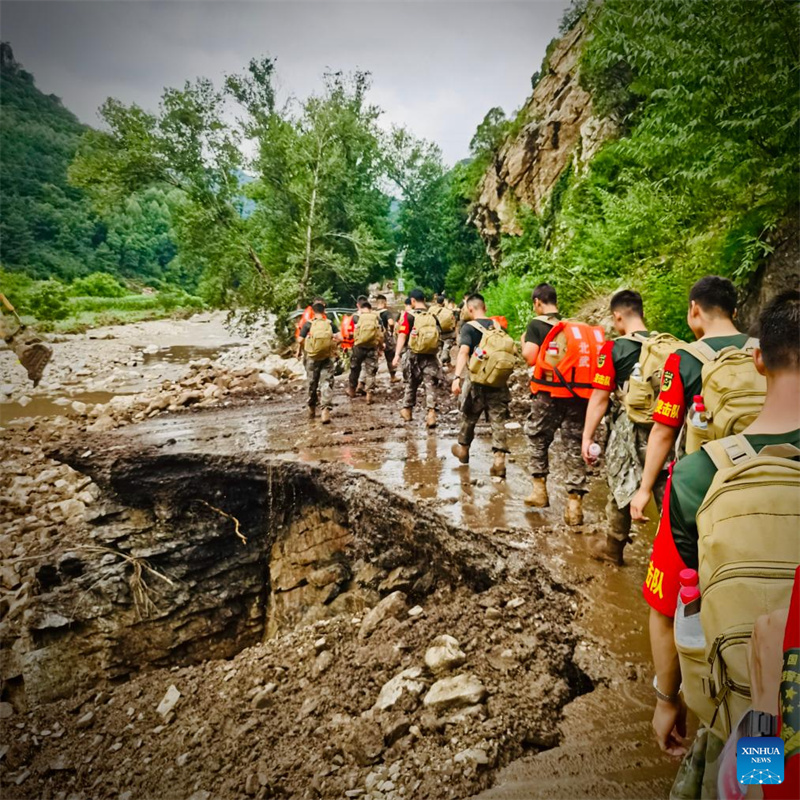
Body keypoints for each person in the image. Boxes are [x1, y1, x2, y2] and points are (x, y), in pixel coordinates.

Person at [643, 290, 800, 795]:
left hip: (752, 717)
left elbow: (669, 612)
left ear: (758, 361)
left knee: (754, 785)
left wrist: (668, 699)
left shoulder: (695, 476)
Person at [631, 276, 752, 521]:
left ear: (694, 308)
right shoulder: (764, 351)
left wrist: (644, 489)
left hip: (704, 481)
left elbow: (663, 431)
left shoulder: (682, 359)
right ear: (735, 312)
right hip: (765, 470)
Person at [582, 290, 669, 565]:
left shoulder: (613, 349)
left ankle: (613, 548)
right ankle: (677, 554)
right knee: (668, 488)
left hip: (627, 428)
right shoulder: (668, 346)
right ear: (642, 313)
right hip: (665, 426)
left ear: (618, 316)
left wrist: (587, 437)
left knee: (621, 483)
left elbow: (599, 398)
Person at [521, 282, 587, 525]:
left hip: (548, 394)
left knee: (538, 437)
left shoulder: (536, 324)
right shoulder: (573, 326)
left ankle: (539, 491)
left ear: (538, 302)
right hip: (577, 395)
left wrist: (523, 341)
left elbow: (529, 357)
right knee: (573, 444)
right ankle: (574, 506)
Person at [450, 293, 512, 478]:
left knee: (469, 416)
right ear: (485, 307)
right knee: (498, 420)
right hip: (498, 382)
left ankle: (463, 450)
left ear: (470, 309)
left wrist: (456, 377)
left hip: (477, 382)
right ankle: (499, 460)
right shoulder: (499, 326)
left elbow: (463, 352)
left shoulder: (468, 327)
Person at [393, 288, 441, 428]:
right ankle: (431, 413)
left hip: (413, 354)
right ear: (424, 300)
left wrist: (397, 354)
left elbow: (402, 335)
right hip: (430, 355)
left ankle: (407, 409)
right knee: (429, 383)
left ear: (412, 301)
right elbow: (439, 335)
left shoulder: (408, 316)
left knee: (412, 382)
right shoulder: (432, 316)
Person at [298, 302, 341, 424]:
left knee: (312, 383)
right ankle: (325, 410)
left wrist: (308, 346)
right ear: (324, 311)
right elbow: (341, 338)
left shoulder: (308, 324)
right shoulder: (330, 324)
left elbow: (300, 340)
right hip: (327, 357)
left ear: (312, 311)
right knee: (326, 382)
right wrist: (332, 346)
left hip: (312, 358)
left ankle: (312, 408)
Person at [347, 300, 384, 404]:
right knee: (371, 372)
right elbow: (380, 334)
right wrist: (381, 346)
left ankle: (352, 391)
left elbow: (350, 334)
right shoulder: (376, 317)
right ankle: (369, 395)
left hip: (358, 347)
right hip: (372, 347)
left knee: (354, 369)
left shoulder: (356, 317)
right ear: (370, 308)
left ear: (360, 308)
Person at [375, 294, 399, 383]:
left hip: (375, 337)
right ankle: (393, 377)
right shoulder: (386, 312)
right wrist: (391, 331)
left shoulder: (373, 313)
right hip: (384, 336)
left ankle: (371, 379)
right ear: (385, 302)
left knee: (374, 358)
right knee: (390, 355)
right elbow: (391, 323)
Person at [430, 293, 456, 368]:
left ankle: (445, 363)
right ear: (443, 302)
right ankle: (442, 361)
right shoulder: (448, 311)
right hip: (447, 333)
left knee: (440, 348)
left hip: (436, 332)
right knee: (446, 349)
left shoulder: (431, 310)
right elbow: (453, 323)